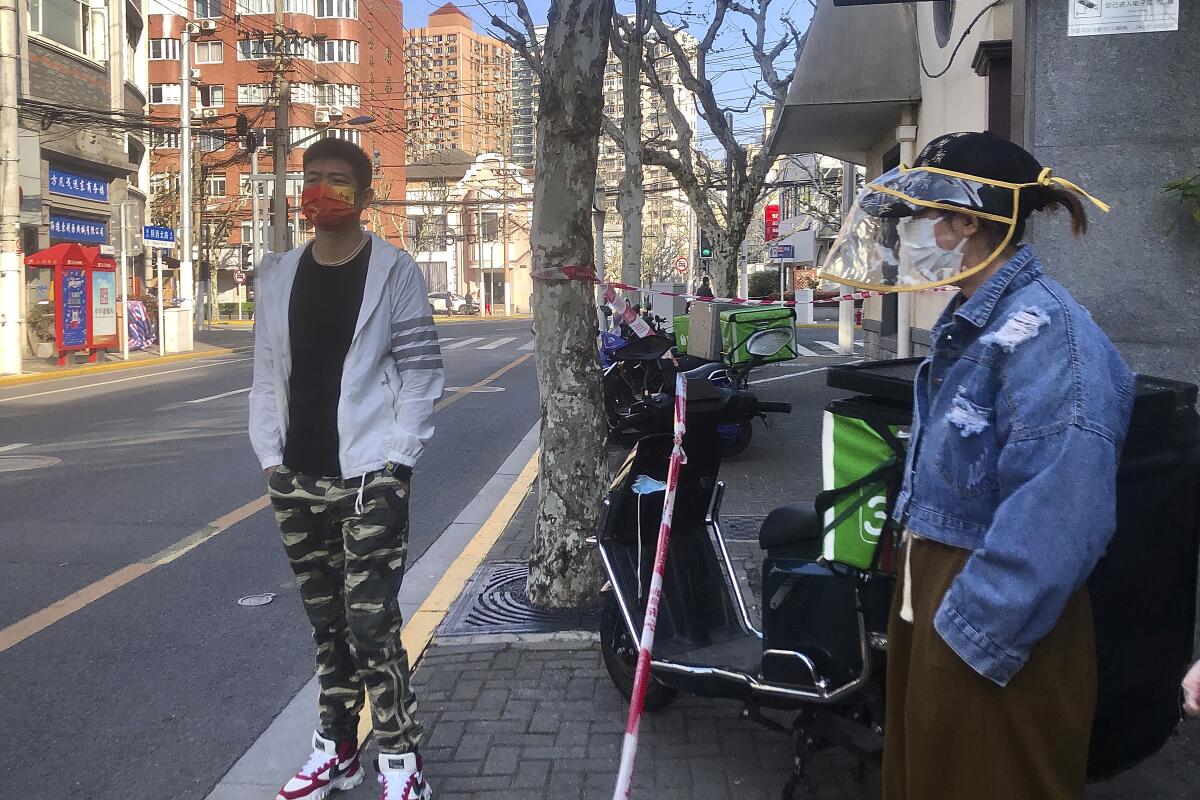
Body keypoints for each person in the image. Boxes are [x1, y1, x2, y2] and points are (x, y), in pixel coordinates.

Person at [822, 132, 1133, 799]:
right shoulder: (976, 322)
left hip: (993, 619)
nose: (915, 233)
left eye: (923, 215)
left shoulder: (1053, 335)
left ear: (966, 221)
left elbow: (1062, 512)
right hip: (946, 602)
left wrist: (966, 632)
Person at [249, 138, 442, 800]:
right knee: (326, 625)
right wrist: (272, 461)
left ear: (364, 197)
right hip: (297, 482)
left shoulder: (393, 271)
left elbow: (420, 370)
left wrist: (398, 462)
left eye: (337, 181)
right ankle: (337, 750)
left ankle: (400, 760)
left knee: (371, 623)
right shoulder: (278, 273)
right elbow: (263, 377)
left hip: (368, 480)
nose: (320, 191)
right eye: (312, 180)